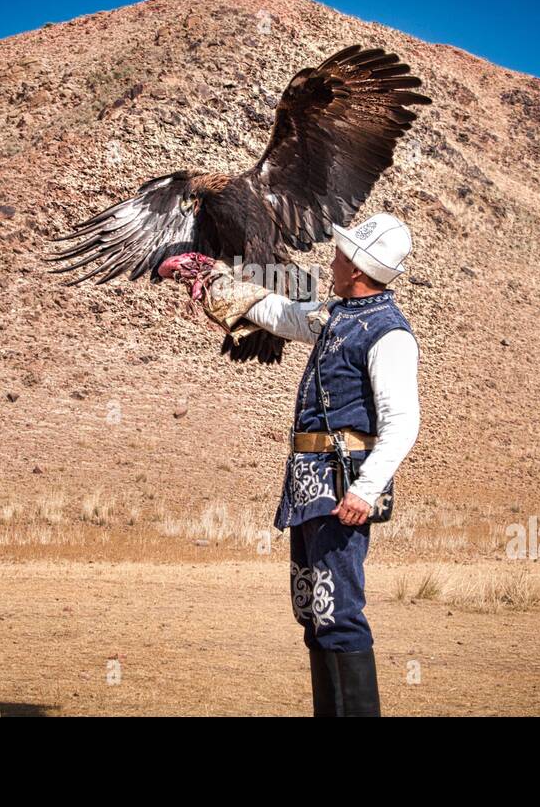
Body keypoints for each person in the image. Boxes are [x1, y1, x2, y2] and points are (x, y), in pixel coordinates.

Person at [191, 212, 421, 716]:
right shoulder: (338, 317)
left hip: (343, 485)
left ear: (358, 268)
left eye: (341, 255)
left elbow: (402, 421)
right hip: (311, 483)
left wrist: (365, 490)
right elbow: (285, 314)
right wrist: (218, 283)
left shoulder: (390, 334)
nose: (332, 260)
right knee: (315, 610)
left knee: (339, 611)